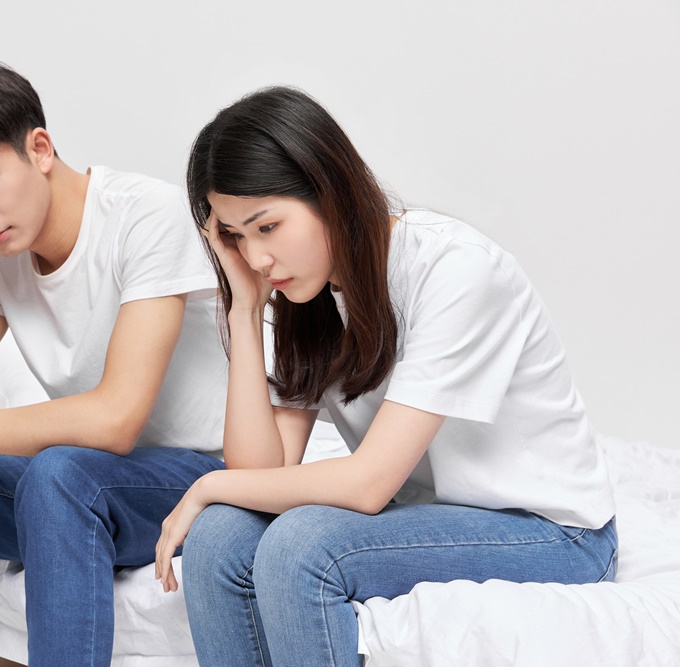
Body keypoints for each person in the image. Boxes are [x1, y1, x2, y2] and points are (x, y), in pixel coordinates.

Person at [154, 87, 617, 667]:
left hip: (552, 532)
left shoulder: (455, 269)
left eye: (266, 226)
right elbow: (259, 474)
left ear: (328, 188)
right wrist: (244, 312)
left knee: (301, 547)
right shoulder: (305, 299)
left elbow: (368, 485)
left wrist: (206, 485)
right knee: (220, 538)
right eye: (235, 237)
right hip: (423, 517)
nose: (255, 259)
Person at [0, 62, 228, 667]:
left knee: (59, 473)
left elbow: (116, 421)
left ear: (40, 148)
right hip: (89, 487)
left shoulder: (145, 216)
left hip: (204, 479)